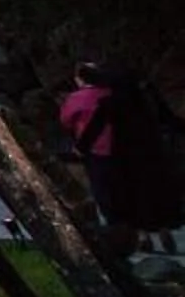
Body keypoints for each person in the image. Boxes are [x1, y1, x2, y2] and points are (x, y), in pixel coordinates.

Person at [62, 62, 185, 255]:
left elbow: (95, 127)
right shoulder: (147, 99)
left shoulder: (111, 102)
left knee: (131, 199)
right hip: (153, 154)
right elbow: (169, 119)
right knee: (157, 194)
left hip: (123, 157)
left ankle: (143, 237)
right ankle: (164, 230)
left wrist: (80, 148)